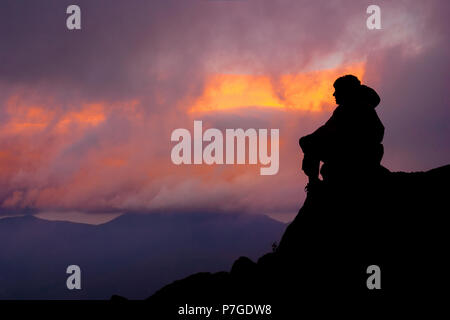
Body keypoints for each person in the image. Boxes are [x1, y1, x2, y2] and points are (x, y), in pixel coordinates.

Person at [299, 75, 384, 189]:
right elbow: (327, 131)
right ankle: (314, 183)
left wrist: (306, 141)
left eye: (336, 90)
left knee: (310, 145)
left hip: (354, 158)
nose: (334, 94)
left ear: (345, 91)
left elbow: (327, 132)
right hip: (360, 155)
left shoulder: (351, 109)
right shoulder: (357, 106)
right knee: (310, 143)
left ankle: (313, 184)